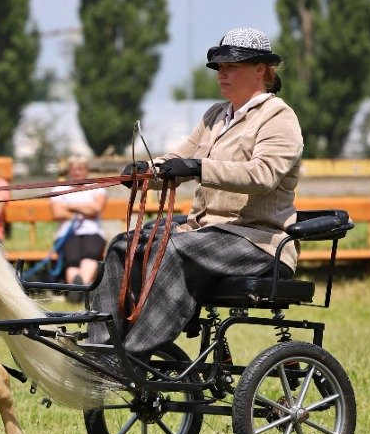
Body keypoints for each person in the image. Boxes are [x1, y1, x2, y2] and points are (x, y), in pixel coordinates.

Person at [89, 27, 303, 357]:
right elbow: (180, 158)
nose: (222, 74)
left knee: (172, 249)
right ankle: (102, 348)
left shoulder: (279, 118)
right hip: (206, 233)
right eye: (220, 68)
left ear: (261, 70)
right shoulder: (215, 116)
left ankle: (135, 353)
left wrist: (199, 167)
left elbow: (263, 175)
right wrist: (148, 172)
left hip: (258, 240)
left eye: (232, 67)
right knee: (124, 245)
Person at [50, 156, 108, 295]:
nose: (77, 172)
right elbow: (58, 213)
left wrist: (69, 206)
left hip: (93, 232)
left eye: (80, 169)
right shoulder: (59, 189)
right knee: (72, 258)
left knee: (90, 253)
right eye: (73, 169)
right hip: (67, 233)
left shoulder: (96, 188)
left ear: (86, 170)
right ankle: (80, 289)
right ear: (69, 171)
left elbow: (95, 209)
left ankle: (79, 289)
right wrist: (84, 209)